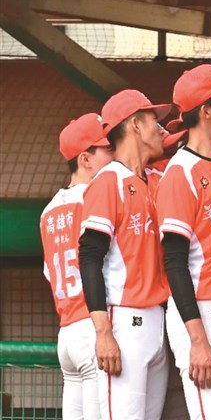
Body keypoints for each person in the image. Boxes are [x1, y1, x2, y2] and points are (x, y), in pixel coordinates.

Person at [78, 90, 173, 420]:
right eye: (153, 120)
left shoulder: (151, 180)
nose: (160, 129)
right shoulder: (109, 181)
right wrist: (103, 332)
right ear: (134, 125)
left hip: (155, 322)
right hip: (123, 322)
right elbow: (89, 257)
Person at [156, 65, 211, 419]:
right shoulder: (180, 173)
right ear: (207, 111)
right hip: (201, 311)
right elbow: (174, 262)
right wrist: (197, 339)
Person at [41, 114, 113, 420]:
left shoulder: (48, 211)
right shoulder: (95, 198)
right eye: (107, 149)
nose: (114, 154)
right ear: (85, 159)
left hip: (67, 334)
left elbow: (49, 273)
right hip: (94, 327)